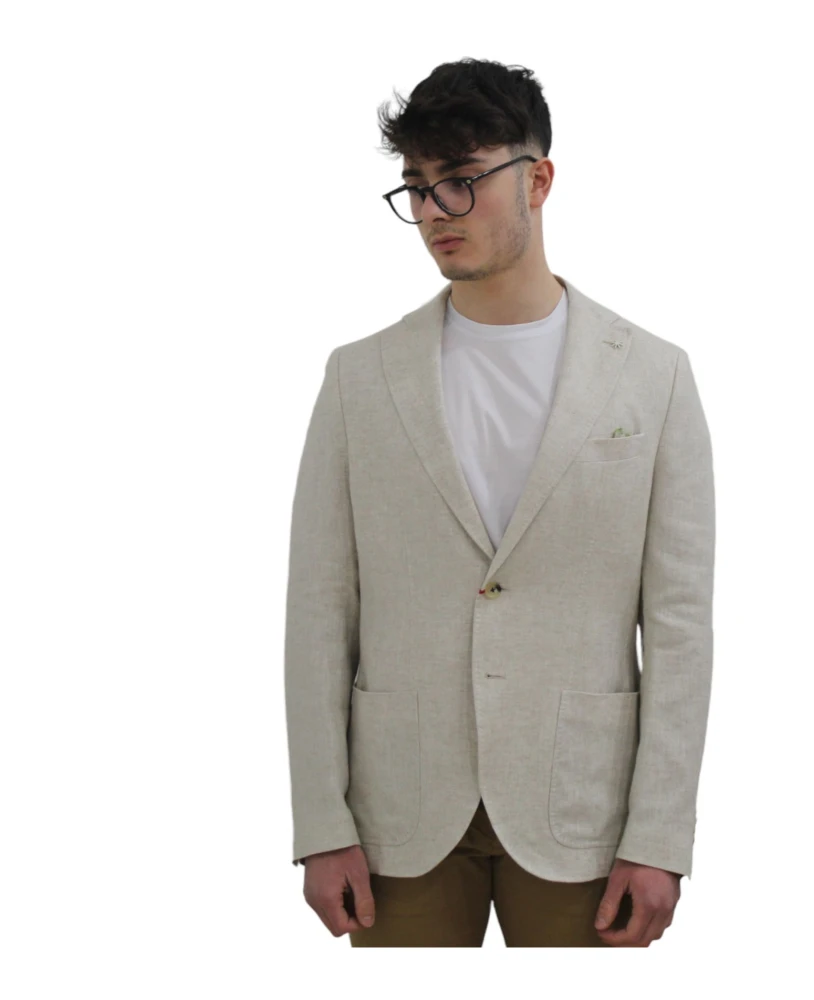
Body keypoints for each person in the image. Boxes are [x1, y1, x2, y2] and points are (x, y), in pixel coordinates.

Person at [284, 58, 715, 948]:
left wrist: (661, 836)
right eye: (418, 187)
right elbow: (320, 611)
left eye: (463, 179)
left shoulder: (653, 376)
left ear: (538, 179)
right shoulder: (359, 378)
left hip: (582, 807)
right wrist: (320, 822)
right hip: (398, 811)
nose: (436, 210)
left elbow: (679, 624)